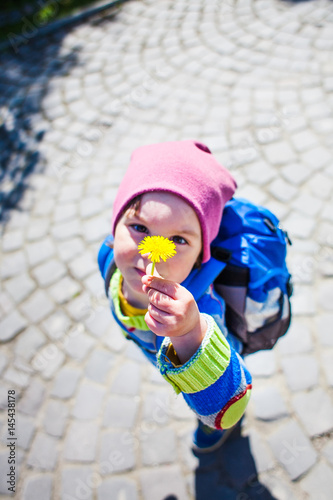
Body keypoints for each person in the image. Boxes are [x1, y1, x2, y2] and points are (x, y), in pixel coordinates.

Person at [102, 140, 252, 452]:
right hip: (150, 345)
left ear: (201, 257)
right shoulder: (108, 258)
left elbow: (229, 408)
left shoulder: (203, 310)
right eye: (139, 227)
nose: (151, 250)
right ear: (114, 227)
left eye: (178, 239)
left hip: (210, 379)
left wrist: (189, 335)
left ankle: (207, 430)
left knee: (202, 402)